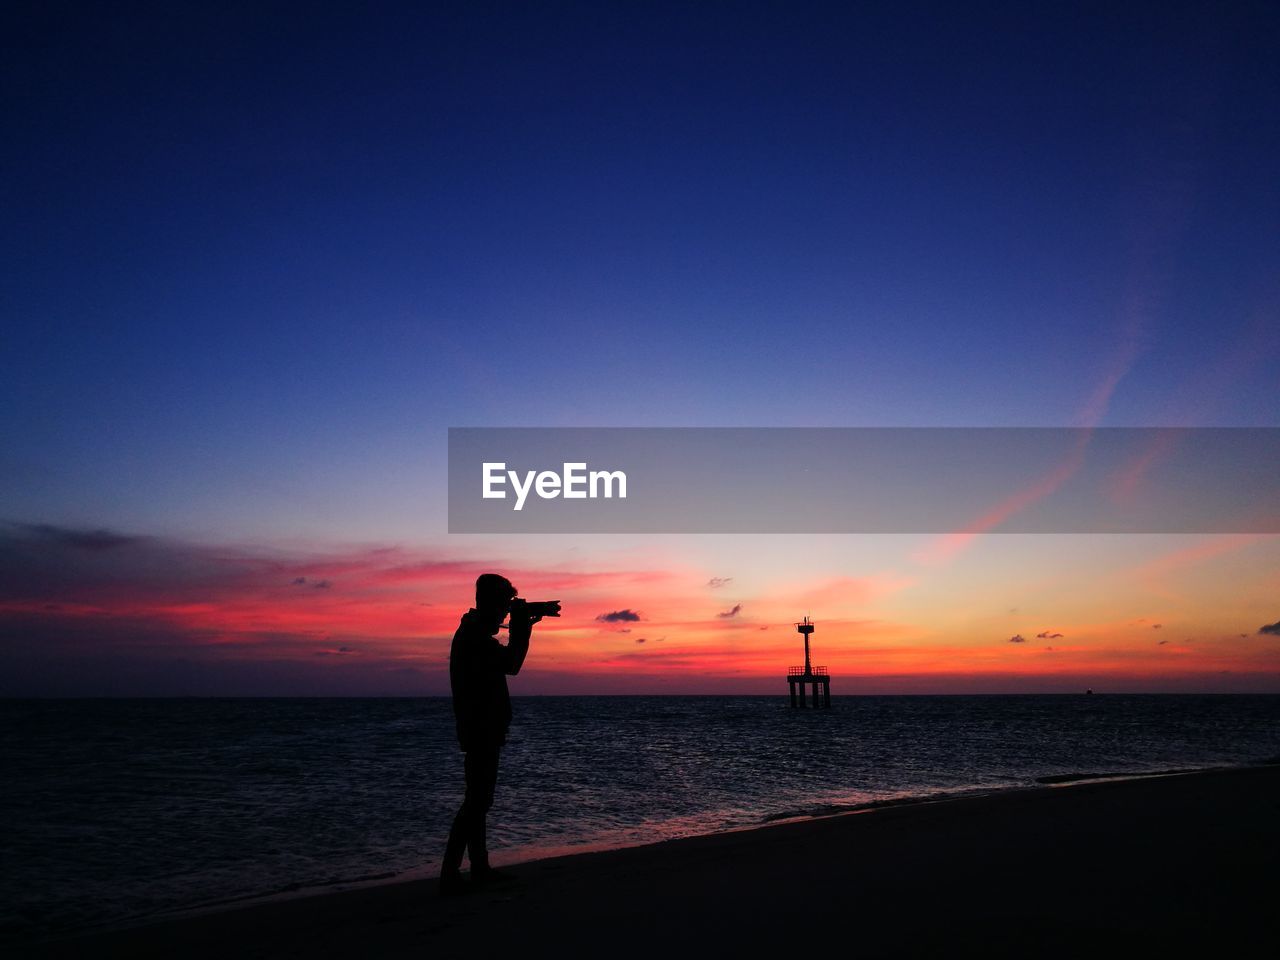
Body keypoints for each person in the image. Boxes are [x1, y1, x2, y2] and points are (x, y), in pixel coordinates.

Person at [439, 573, 544, 895]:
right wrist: (522, 629)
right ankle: (452, 872)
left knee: (479, 800)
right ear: (489, 603)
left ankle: (477, 867)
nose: (504, 614)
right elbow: (511, 664)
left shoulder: (473, 633)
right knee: (477, 801)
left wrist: (522, 625)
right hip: (480, 727)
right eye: (502, 606)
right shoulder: (474, 637)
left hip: (482, 726)